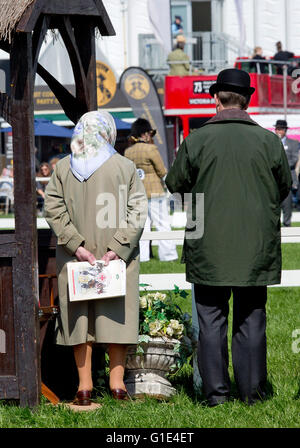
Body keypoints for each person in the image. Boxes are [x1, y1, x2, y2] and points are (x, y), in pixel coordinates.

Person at [166, 68, 292, 407]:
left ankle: (216, 396)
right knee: (252, 318)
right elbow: (284, 189)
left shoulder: (195, 140)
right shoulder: (268, 141)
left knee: (210, 321)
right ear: (248, 100)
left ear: (215, 98)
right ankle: (252, 394)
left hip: (207, 244)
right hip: (256, 246)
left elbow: (175, 185)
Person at [44, 110, 148, 405]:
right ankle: (117, 386)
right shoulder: (125, 166)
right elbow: (137, 210)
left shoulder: (63, 167)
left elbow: (52, 208)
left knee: (79, 319)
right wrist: (118, 247)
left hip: (76, 256)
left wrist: (76, 246)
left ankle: (84, 388)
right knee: (116, 314)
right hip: (117, 257)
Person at [125, 118, 178, 263]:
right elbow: (161, 171)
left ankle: (143, 257)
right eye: (149, 133)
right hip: (155, 191)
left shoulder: (128, 152)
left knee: (143, 227)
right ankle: (168, 255)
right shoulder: (151, 149)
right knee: (162, 223)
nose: (150, 136)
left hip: (137, 192)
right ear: (144, 134)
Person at [274, 119, 300, 225]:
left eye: (280, 129)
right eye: (277, 129)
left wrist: (279, 164)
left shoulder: (293, 143)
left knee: (287, 203)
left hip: (288, 177)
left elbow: (294, 159)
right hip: (274, 178)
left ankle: (287, 223)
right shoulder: (271, 142)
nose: (278, 131)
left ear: (285, 130)